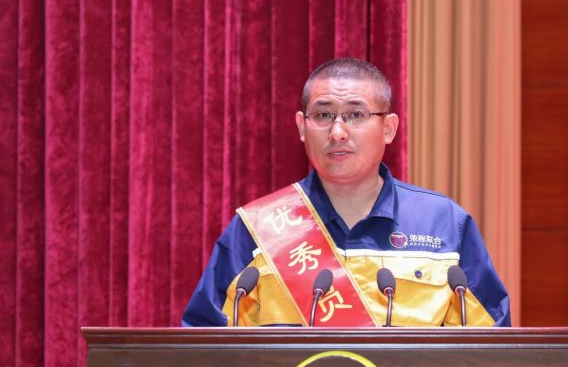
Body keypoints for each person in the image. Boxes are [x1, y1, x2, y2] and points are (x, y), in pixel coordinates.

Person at [182, 58, 510, 328]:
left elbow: (491, 352)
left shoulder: (444, 223)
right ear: (302, 126)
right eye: (323, 115)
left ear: (388, 128)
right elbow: (203, 352)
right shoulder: (258, 228)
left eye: (356, 115)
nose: (337, 132)